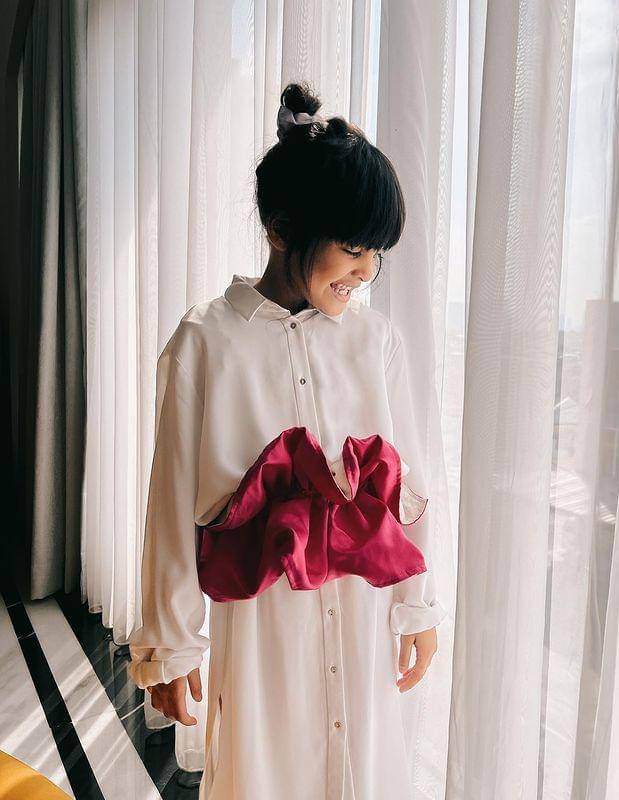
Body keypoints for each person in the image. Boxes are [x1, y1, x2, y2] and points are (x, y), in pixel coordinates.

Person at [127, 81, 448, 800]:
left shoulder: (376, 341)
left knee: (361, 771)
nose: (366, 271)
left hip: (361, 614)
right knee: (264, 773)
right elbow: (170, 506)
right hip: (261, 625)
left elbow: (407, 487)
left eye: (377, 254)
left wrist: (417, 605)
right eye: (353, 248)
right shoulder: (205, 342)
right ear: (280, 230)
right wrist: (171, 646)